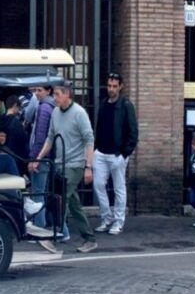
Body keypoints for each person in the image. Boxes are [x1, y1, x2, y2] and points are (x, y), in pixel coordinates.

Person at [30, 82, 97, 253]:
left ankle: (54, 236)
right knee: (73, 203)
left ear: (67, 94)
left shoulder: (79, 113)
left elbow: (89, 140)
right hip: (60, 164)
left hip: (75, 165)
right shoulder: (55, 113)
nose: (55, 98)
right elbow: (50, 138)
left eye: (58, 94)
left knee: (61, 200)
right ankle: (89, 238)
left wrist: (88, 167)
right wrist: (38, 158)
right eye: (55, 95)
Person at [92, 72, 138, 236]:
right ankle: (106, 218)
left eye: (114, 86)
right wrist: (95, 150)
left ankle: (118, 222)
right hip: (101, 153)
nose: (111, 89)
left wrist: (124, 154)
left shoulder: (126, 105)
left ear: (120, 87)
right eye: (109, 85)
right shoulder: (104, 103)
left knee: (119, 189)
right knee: (98, 185)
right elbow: (98, 127)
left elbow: (133, 132)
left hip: (117, 154)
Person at [26, 85, 56, 230]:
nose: (36, 94)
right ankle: (58, 228)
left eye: (39, 90)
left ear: (48, 91)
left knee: (38, 195)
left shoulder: (44, 108)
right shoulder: (50, 106)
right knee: (42, 193)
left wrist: (34, 159)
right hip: (46, 157)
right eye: (35, 90)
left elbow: (40, 136)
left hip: (41, 157)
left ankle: (40, 228)